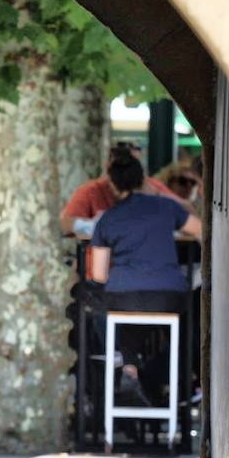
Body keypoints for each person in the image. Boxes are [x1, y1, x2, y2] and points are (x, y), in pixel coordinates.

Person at [88, 148, 202, 406]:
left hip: (123, 296)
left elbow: (98, 274)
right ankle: (167, 380)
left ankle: (129, 368)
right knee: (185, 329)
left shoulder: (108, 219)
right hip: (169, 296)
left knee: (110, 312)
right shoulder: (165, 207)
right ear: (143, 180)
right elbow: (200, 231)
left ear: (114, 187)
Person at [60, 142, 190, 236]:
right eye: (124, 166)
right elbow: (65, 224)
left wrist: (158, 196)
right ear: (109, 167)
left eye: (135, 166)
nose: (129, 173)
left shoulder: (151, 187)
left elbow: (188, 214)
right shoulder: (90, 190)